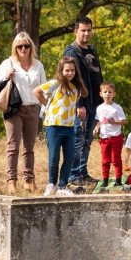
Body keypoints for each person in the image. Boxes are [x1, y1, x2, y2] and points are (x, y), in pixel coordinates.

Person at [0, 32, 45, 193]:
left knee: (29, 147)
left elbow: (44, 87)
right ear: (15, 48)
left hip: (33, 109)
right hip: (14, 108)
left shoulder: (38, 65)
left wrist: (46, 108)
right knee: (13, 146)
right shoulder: (9, 63)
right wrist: (6, 75)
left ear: (31, 47)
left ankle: (29, 179)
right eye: (19, 46)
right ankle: (11, 181)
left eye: (26, 46)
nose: (23, 49)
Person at [35, 55, 86, 196]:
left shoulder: (76, 87)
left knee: (70, 156)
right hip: (53, 125)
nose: (70, 73)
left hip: (69, 126)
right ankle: (52, 183)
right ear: (61, 70)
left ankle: (62, 185)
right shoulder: (55, 83)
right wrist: (46, 105)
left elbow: (72, 103)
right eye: (67, 70)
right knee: (54, 156)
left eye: (72, 70)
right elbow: (37, 91)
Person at [62, 16, 104, 186]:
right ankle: (73, 175)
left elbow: (97, 76)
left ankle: (82, 173)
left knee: (87, 141)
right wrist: (78, 104)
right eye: (83, 30)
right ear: (75, 31)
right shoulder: (72, 52)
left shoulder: (92, 50)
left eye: (89, 30)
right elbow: (70, 80)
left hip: (95, 102)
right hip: (81, 104)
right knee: (77, 140)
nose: (86, 33)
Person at [92, 81, 126, 188]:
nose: (107, 94)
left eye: (110, 92)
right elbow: (99, 121)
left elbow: (124, 121)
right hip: (104, 138)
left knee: (116, 160)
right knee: (105, 160)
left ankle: (118, 180)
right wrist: (96, 128)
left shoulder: (117, 108)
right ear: (100, 94)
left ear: (113, 94)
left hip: (116, 137)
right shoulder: (99, 108)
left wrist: (114, 122)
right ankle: (105, 180)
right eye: (105, 92)